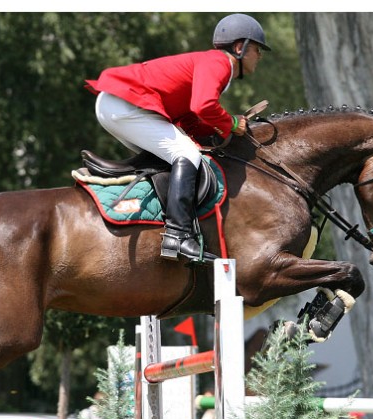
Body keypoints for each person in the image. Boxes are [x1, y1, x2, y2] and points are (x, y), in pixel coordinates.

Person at [86, 13, 269, 262]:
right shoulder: (220, 63)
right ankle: (178, 236)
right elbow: (204, 106)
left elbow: (189, 117)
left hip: (117, 105)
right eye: (257, 49)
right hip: (124, 105)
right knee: (186, 154)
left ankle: (156, 220)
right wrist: (232, 123)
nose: (260, 56)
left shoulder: (215, 65)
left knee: (175, 156)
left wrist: (215, 133)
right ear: (240, 47)